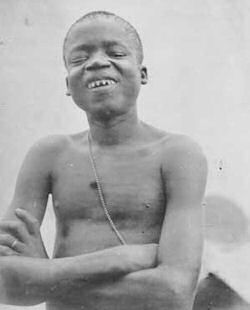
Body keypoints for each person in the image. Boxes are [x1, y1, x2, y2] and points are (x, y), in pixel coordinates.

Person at [0, 11, 207, 310]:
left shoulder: (177, 153)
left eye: (115, 52)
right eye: (79, 58)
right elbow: (6, 282)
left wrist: (43, 277)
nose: (97, 62)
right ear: (68, 85)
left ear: (143, 74)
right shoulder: (49, 155)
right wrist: (121, 259)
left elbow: (173, 293)